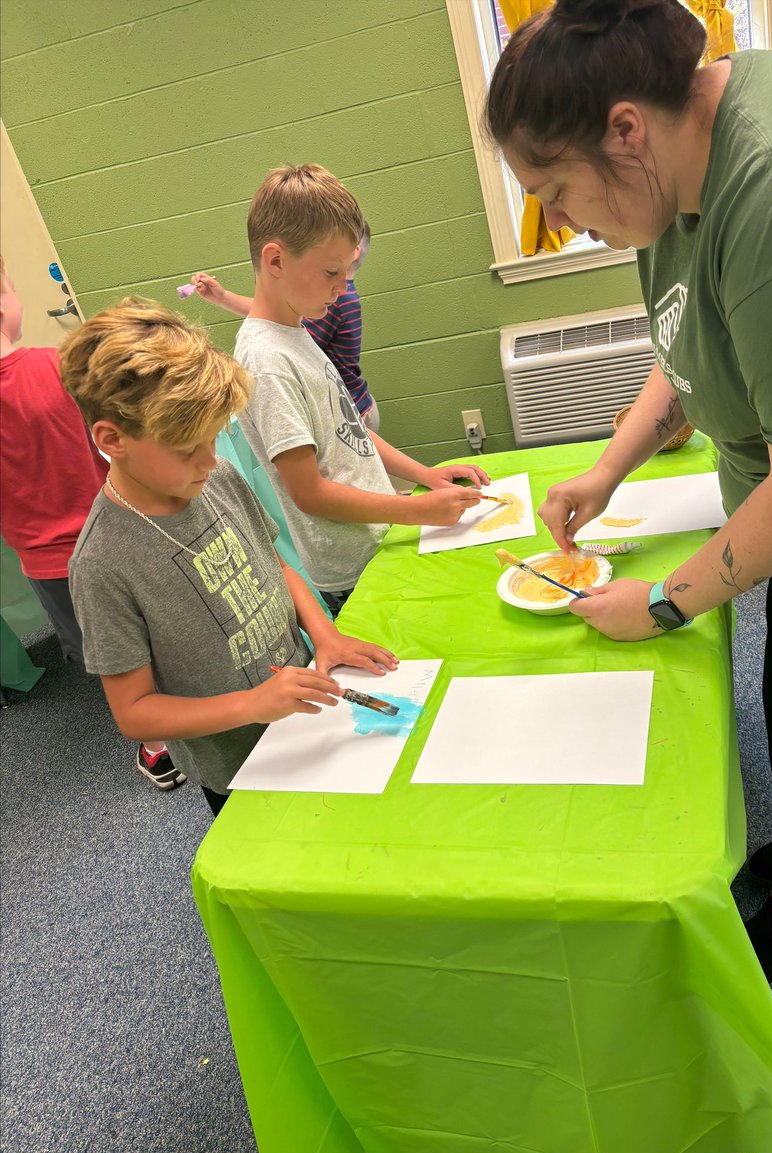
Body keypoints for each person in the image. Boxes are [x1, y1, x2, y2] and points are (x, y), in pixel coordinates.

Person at [484, 0, 772, 986]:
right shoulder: (671, 169)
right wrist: (604, 467)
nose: (562, 222)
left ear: (623, 127)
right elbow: (682, 347)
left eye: (555, 188)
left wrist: (664, 604)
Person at [60, 297, 398, 817]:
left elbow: (278, 565)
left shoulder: (217, 478)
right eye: (187, 448)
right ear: (112, 440)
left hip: (305, 714)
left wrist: (325, 637)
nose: (211, 459)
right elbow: (135, 713)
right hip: (237, 765)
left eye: (215, 437)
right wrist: (253, 704)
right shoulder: (103, 564)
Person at [230, 163, 490, 617]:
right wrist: (419, 511)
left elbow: (351, 430)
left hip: (380, 536)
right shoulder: (266, 359)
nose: (344, 284)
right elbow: (308, 492)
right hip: (351, 569)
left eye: (346, 270)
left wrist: (426, 477)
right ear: (275, 261)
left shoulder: (298, 331)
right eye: (331, 271)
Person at [0, 257, 186, 791]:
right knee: (159, 623)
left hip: (47, 561)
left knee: (105, 650)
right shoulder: (59, 368)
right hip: (116, 531)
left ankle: (156, 745)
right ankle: (186, 715)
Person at [191, 222, 381, 431]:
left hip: (353, 414)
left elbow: (282, 325)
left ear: (353, 253)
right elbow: (275, 316)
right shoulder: (335, 297)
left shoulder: (335, 301)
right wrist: (223, 297)